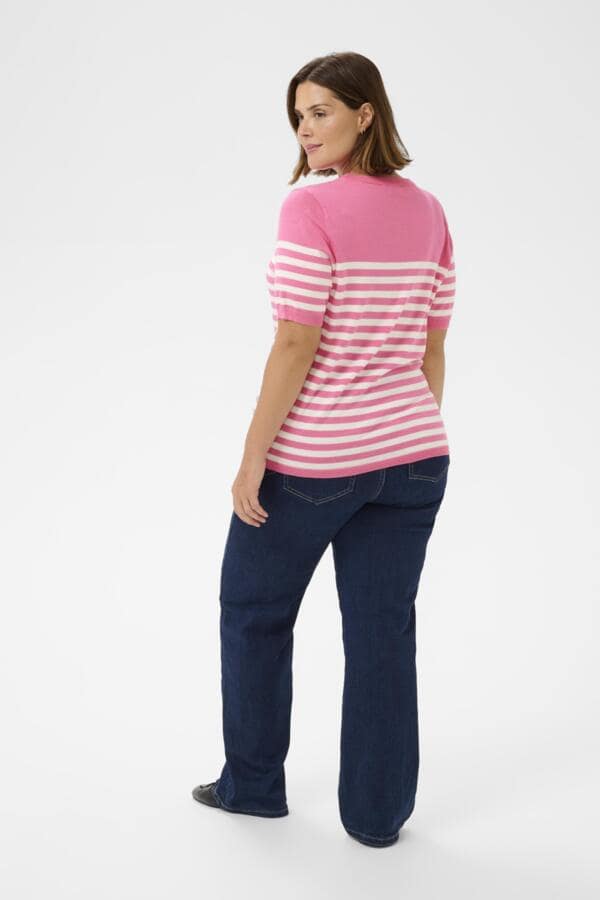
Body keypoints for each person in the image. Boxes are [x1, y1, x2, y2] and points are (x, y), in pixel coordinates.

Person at [192, 51, 456, 849]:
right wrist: (399, 437)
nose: (306, 129)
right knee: (383, 634)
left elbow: (295, 341)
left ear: (365, 113)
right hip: (415, 456)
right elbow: (432, 347)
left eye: (321, 112)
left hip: (314, 464)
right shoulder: (430, 211)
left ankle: (252, 787)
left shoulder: (309, 207)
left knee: (253, 613)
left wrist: (253, 457)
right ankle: (377, 819)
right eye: (299, 116)